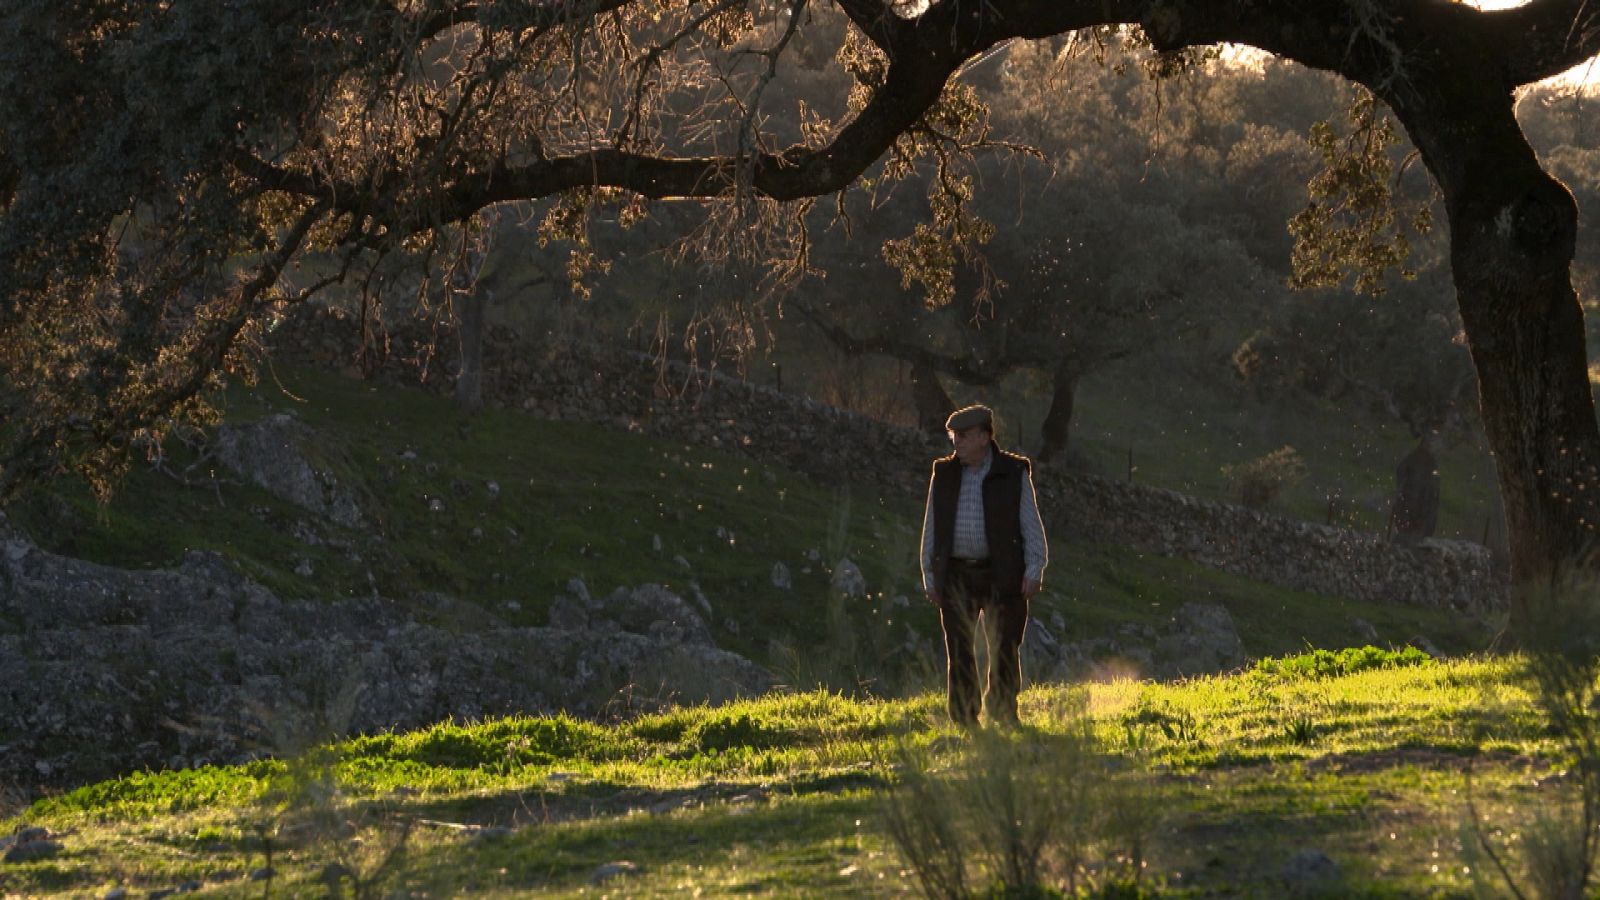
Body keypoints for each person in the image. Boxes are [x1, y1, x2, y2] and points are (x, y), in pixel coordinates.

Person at [920, 404, 1048, 727]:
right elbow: (931, 527)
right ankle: (965, 719)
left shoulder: (1013, 473)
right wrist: (930, 574)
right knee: (959, 649)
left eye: (963, 436)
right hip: (957, 575)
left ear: (984, 436)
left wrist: (1035, 568)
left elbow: (1031, 526)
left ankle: (1004, 712)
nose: (956, 443)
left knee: (1005, 645)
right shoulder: (944, 475)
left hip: (1001, 573)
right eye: (953, 437)